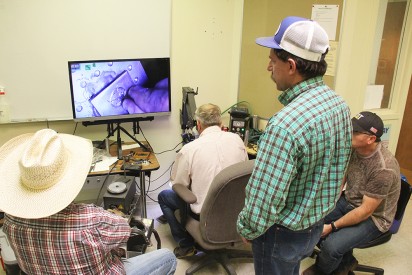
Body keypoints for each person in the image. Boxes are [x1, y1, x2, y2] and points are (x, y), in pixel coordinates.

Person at [236, 16, 353, 274]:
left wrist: (248, 228)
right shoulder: (339, 106)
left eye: (272, 60)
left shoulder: (284, 125)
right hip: (313, 226)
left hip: (280, 235)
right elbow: (340, 169)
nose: (268, 67)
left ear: (290, 65)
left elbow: (265, 199)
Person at [0, 129, 177, 275]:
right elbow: (125, 233)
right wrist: (113, 217)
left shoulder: (10, 220)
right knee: (168, 257)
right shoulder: (92, 218)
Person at [303, 111, 401, 275]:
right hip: (349, 201)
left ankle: (323, 270)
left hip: (374, 218)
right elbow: (344, 175)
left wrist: (332, 226)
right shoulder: (354, 148)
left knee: (331, 246)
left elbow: (365, 211)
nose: (349, 132)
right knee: (311, 223)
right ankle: (346, 261)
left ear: (370, 139)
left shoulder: (384, 168)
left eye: (355, 131)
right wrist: (330, 201)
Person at [158, 103, 248, 258]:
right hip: (236, 212)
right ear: (221, 123)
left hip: (205, 217)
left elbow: (178, 184)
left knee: (164, 196)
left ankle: (186, 245)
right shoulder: (237, 140)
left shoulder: (189, 149)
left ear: (198, 125)